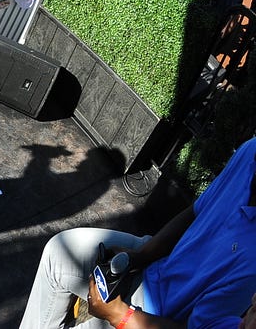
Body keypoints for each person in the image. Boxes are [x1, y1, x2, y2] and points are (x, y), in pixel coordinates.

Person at [20, 135, 256, 329]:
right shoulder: (250, 153)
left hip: (156, 317)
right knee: (58, 253)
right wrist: (141, 256)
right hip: (159, 263)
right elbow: (194, 212)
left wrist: (120, 316)